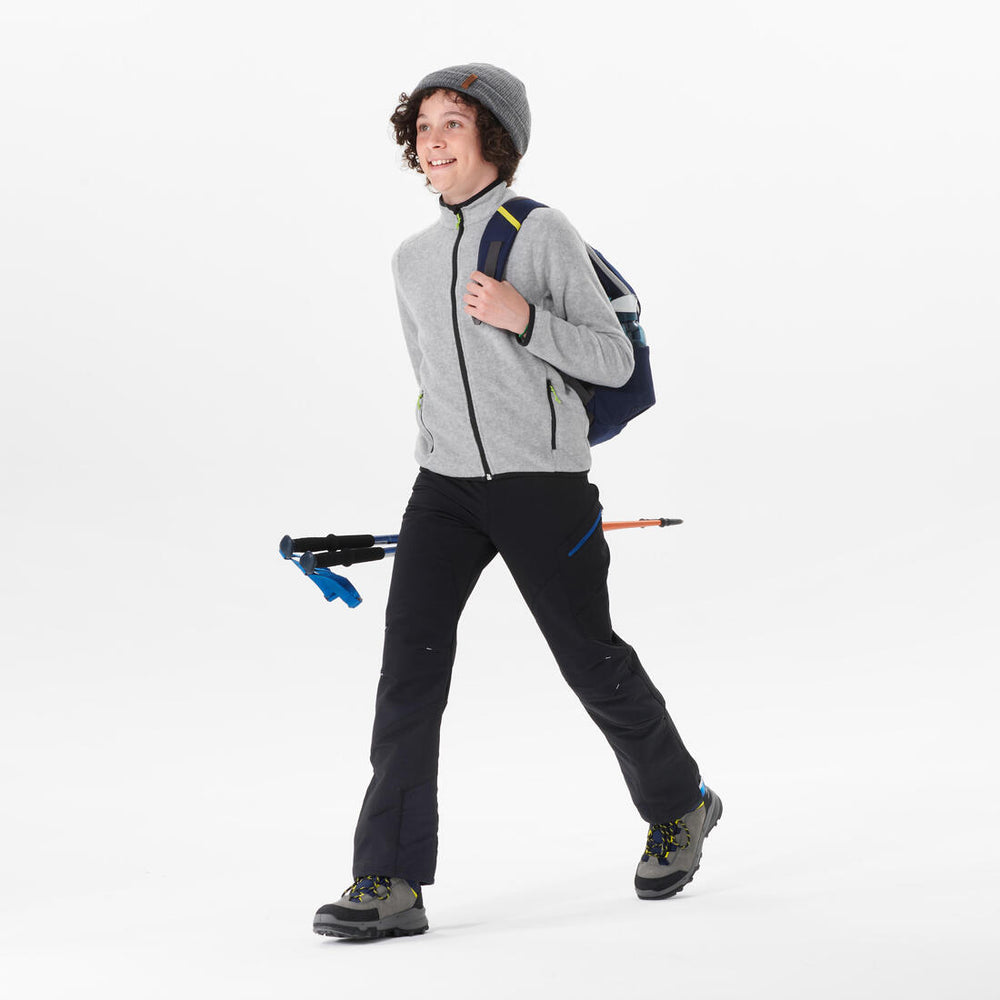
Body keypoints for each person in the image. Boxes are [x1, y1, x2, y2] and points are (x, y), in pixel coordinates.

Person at [313, 63, 721, 940]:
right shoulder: (410, 259)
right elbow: (430, 375)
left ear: (495, 138)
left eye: (453, 123)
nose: (433, 140)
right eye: (423, 125)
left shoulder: (541, 232)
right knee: (409, 673)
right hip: (445, 488)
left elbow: (612, 359)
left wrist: (523, 317)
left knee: (589, 658)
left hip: (542, 481)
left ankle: (680, 803)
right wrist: (442, 446)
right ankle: (389, 879)